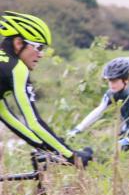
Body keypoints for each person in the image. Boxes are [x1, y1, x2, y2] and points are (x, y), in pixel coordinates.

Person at [0, 11, 91, 166]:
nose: (41, 55)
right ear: (18, 43)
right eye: (38, 47)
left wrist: (42, 145)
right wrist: (72, 156)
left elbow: (4, 113)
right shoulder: (16, 69)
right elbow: (34, 123)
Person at [68, 57, 129, 161]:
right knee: (110, 161)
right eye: (109, 80)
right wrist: (78, 128)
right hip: (126, 133)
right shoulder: (111, 93)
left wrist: (128, 140)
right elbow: (98, 111)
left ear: (126, 80)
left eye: (114, 81)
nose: (111, 85)